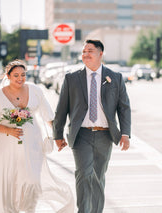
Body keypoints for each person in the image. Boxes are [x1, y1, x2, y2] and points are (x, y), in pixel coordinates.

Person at [0, 59, 74, 213]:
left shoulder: (35, 91)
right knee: (7, 184)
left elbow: (49, 117)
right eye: (16, 75)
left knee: (32, 180)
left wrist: (58, 137)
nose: (20, 78)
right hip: (5, 147)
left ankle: (29, 209)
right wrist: (8, 130)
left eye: (23, 75)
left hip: (32, 143)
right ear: (7, 76)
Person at [53, 39, 131, 213]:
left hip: (105, 136)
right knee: (83, 174)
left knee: (98, 177)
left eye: (90, 51)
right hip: (81, 135)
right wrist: (57, 135)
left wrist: (125, 133)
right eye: (83, 51)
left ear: (100, 54)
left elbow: (124, 107)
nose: (85, 54)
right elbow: (61, 109)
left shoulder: (115, 78)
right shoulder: (72, 78)